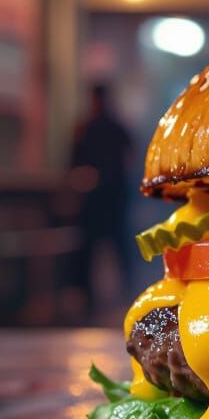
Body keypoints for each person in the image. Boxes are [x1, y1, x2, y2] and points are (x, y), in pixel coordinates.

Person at [70, 84, 134, 317]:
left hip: (99, 198)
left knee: (96, 247)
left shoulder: (86, 127)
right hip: (110, 197)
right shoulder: (114, 127)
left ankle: (91, 298)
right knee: (115, 247)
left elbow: (74, 163)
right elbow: (131, 156)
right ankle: (125, 293)